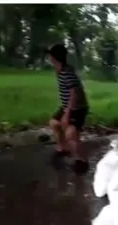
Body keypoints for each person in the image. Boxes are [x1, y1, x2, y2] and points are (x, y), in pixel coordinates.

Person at [45, 44, 90, 174]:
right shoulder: (60, 69)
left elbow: (75, 93)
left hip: (77, 108)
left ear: (55, 57)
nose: (48, 57)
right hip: (67, 106)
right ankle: (62, 149)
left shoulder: (66, 72)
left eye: (50, 55)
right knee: (54, 123)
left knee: (71, 133)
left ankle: (82, 161)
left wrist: (67, 114)